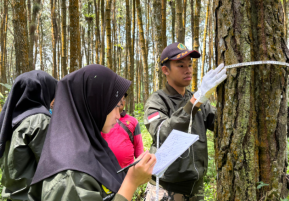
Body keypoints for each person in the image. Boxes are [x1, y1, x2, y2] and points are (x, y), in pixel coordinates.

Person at [30, 65, 156, 201]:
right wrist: (131, 182)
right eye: (113, 106)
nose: (118, 116)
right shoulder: (70, 175)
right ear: (93, 104)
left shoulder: (90, 145)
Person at [143, 42, 227, 200]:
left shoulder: (199, 101)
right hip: (165, 190)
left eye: (189, 65)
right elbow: (162, 132)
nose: (188, 70)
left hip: (196, 190)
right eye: (181, 65)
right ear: (165, 70)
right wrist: (196, 100)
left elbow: (223, 125)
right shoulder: (157, 101)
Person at [0, 70, 57, 201]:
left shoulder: (13, 119)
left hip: (14, 195)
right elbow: (53, 167)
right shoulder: (39, 120)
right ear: (43, 91)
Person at [101, 93, 144, 168]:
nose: (121, 101)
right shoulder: (102, 120)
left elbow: (138, 147)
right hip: (106, 170)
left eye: (123, 98)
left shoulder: (133, 121)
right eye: (118, 98)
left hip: (128, 170)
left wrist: (140, 165)